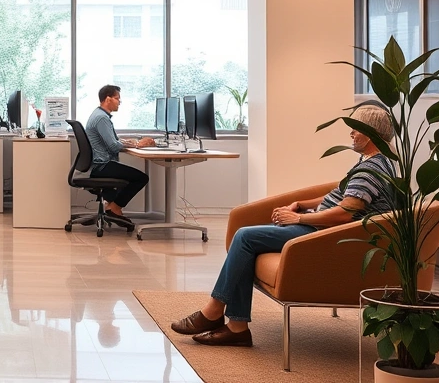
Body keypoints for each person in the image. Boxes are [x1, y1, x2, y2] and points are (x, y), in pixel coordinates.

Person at [170, 104, 396, 347]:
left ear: (371, 132)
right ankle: (235, 326)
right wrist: (299, 204)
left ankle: (216, 313)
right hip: (321, 227)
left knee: (245, 237)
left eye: (355, 129)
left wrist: (299, 219)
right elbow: (338, 194)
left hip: (327, 234)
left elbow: (345, 213)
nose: (350, 133)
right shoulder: (373, 161)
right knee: (246, 240)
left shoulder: (371, 170)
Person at [85, 85, 154, 221]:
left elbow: (113, 141)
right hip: (103, 166)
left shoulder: (99, 115)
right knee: (141, 178)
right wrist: (137, 144)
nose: (119, 102)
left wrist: (130, 142)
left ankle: (111, 207)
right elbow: (113, 146)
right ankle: (115, 208)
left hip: (99, 164)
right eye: (117, 99)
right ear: (108, 99)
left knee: (132, 176)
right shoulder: (102, 119)